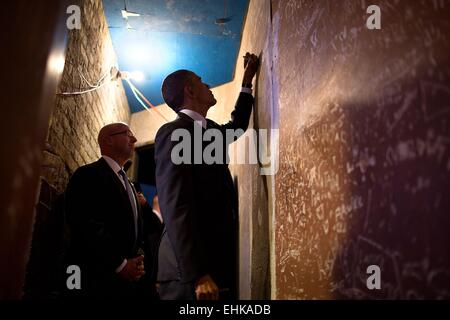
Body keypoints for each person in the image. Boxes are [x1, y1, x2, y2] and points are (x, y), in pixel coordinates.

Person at [155, 52, 259, 300]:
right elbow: (176, 205)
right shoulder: (174, 132)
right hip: (187, 275)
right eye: (201, 81)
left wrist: (246, 82)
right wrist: (198, 274)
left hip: (214, 264)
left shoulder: (210, 130)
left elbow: (237, 127)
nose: (207, 85)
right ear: (190, 91)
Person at [63, 122, 160, 298]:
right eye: (128, 134)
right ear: (109, 140)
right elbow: (83, 222)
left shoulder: (130, 185)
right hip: (94, 277)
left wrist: (135, 261)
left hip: (125, 284)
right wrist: (120, 263)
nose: (135, 139)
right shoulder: (87, 174)